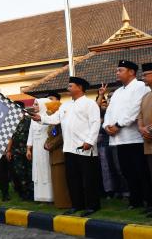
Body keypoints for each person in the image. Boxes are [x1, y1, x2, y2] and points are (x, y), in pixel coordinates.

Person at [31, 76, 101, 217]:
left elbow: (95, 123)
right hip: (69, 148)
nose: (67, 88)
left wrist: (90, 141)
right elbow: (55, 119)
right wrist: (41, 118)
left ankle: (92, 206)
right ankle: (77, 205)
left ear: (79, 87)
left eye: (70, 86)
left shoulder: (89, 104)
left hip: (85, 147)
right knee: (73, 178)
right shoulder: (66, 105)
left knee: (88, 179)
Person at [103, 60, 152, 212]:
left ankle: (148, 200)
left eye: (120, 70)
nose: (117, 73)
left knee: (142, 171)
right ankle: (135, 199)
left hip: (135, 138)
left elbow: (135, 110)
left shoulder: (140, 87)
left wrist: (118, 125)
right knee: (126, 171)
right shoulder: (117, 92)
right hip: (119, 140)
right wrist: (106, 126)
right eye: (117, 70)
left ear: (131, 72)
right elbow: (109, 111)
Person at [44, 100, 72, 209]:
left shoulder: (60, 123)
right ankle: (60, 203)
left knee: (61, 181)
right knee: (57, 181)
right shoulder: (52, 124)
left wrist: (50, 145)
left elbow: (61, 137)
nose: (47, 113)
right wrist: (46, 144)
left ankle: (65, 203)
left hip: (59, 154)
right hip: (53, 155)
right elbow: (50, 136)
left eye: (49, 110)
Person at [26, 98, 53, 202]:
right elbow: (30, 135)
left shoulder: (48, 118)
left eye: (36, 105)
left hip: (46, 147)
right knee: (37, 169)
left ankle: (50, 196)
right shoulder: (33, 119)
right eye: (34, 104)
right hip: (36, 148)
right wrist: (29, 149)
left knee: (46, 168)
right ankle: (39, 197)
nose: (34, 107)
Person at [6, 102, 34, 201]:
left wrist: (29, 149)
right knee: (19, 173)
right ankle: (24, 193)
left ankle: (32, 193)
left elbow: (32, 136)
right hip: (16, 151)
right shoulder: (12, 122)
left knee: (30, 172)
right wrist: (8, 151)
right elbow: (10, 138)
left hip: (28, 151)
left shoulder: (29, 121)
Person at [138, 62, 152, 217]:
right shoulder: (146, 96)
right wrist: (142, 129)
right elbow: (140, 116)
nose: (143, 78)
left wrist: (149, 130)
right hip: (148, 143)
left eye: (146, 75)